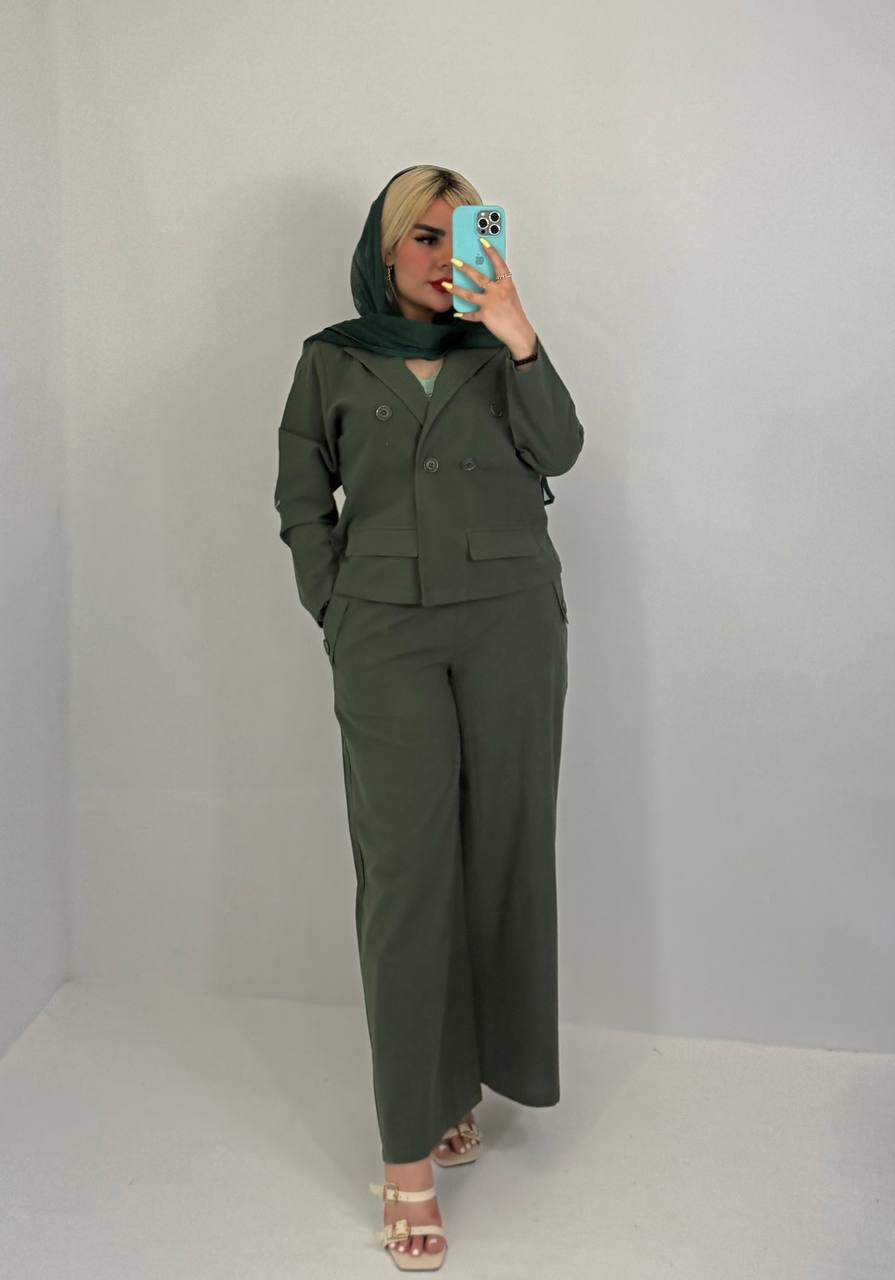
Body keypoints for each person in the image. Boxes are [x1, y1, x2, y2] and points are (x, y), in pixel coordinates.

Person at [274, 164, 585, 1269]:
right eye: (423, 235)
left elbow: (561, 450)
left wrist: (518, 334)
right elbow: (301, 493)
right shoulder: (332, 356)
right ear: (383, 246)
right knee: (407, 875)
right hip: (384, 631)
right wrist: (333, 600)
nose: (444, 255)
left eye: (464, 234)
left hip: (509, 621)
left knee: (502, 851)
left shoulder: (499, 349)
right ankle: (408, 1156)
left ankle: (465, 1085)